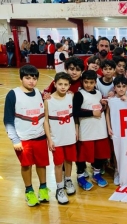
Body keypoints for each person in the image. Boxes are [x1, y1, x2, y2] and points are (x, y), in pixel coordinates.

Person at [3, 65, 49, 207]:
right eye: (28, 78)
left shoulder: (39, 93)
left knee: (42, 164)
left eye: (34, 78)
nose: (31, 81)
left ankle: (43, 188)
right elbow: (8, 119)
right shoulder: (13, 94)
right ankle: (29, 191)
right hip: (23, 139)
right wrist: (15, 139)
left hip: (40, 136)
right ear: (21, 78)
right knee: (26, 165)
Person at [73, 70, 111, 190]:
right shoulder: (79, 94)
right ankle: (80, 177)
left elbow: (98, 109)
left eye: (91, 82)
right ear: (82, 82)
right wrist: (91, 113)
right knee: (82, 156)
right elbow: (75, 112)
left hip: (100, 130)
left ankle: (96, 174)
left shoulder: (99, 93)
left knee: (100, 155)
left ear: (95, 82)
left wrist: (103, 106)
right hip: (86, 131)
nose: (88, 85)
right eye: (86, 82)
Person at [43, 72, 77, 205]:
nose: (63, 87)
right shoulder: (48, 100)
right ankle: (59, 188)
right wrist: (49, 139)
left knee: (69, 161)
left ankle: (68, 180)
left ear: (69, 86)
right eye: (60, 84)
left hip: (69, 136)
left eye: (66, 84)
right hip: (56, 138)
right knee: (58, 164)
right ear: (55, 84)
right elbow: (45, 121)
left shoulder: (71, 96)